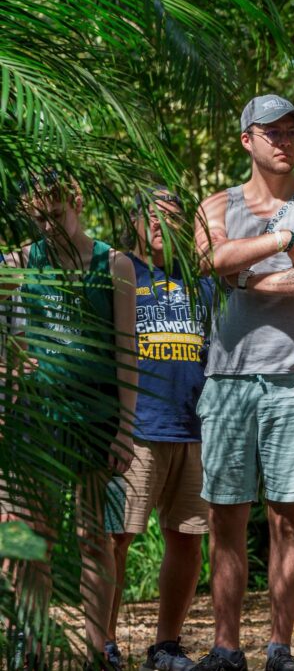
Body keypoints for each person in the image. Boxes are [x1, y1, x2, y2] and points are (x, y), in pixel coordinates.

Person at [192, 95, 294, 671]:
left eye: (293, 131)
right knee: (225, 515)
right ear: (246, 141)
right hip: (228, 377)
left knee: (288, 516)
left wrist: (251, 280)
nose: (285, 140)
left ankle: (280, 648)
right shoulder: (217, 203)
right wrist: (283, 245)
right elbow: (210, 257)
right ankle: (226, 648)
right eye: (272, 131)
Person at [0, 173, 138, 671]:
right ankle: (27, 640)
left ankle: (97, 647)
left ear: (77, 202)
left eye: (55, 216)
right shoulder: (17, 262)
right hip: (31, 420)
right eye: (37, 219)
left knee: (94, 540)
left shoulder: (114, 263)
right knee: (22, 535)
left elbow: (128, 352)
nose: (47, 227)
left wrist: (126, 427)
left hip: (96, 420)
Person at [105, 190, 214, 671]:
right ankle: (101, 640)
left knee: (187, 538)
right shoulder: (119, 271)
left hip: (195, 428)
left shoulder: (204, 283)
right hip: (136, 429)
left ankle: (165, 646)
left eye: (170, 217)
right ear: (135, 223)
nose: (158, 224)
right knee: (116, 537)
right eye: (150, 215)